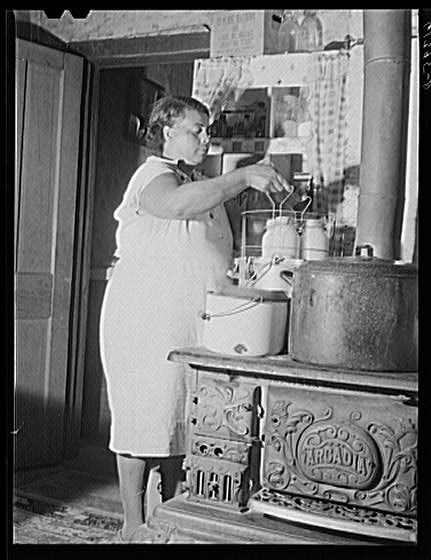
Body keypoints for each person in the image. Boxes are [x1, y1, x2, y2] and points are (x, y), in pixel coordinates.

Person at [99, 95, 290, 543]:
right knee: (142, 419)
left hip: (188, 320)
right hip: (143, 318)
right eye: (196, 129)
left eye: (208, 130)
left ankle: (164, 514)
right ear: (167, 132)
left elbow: (208, 242)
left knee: (178, 419)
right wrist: (242, 175)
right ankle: (132, 524)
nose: (206, 137)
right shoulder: (153, 175)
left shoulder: (199, 181)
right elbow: (177, 206)